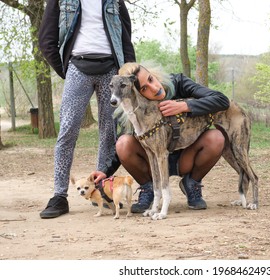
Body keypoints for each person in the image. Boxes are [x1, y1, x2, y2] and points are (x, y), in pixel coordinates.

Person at [38, 0, 136, 219]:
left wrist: (127, 73)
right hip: (77, 67)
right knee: (68, 128)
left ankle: (101, 189)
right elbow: (46, 40)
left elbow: (126, 40)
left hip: (110, 68)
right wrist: (65, 69)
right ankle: (59, 196)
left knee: (109, 132)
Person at [90, 62, 230, 213]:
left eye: (151, 79)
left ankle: (192, 183)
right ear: (134, 92)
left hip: (186, 156)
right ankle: (148, 188)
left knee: (216, 137)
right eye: (144, 88)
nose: (154, 88)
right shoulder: (133, 111)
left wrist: (185, 106)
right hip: (153, 163)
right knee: (123, 142)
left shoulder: (178, 82)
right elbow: (120, 144)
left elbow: (221, 100)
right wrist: (106, 170)